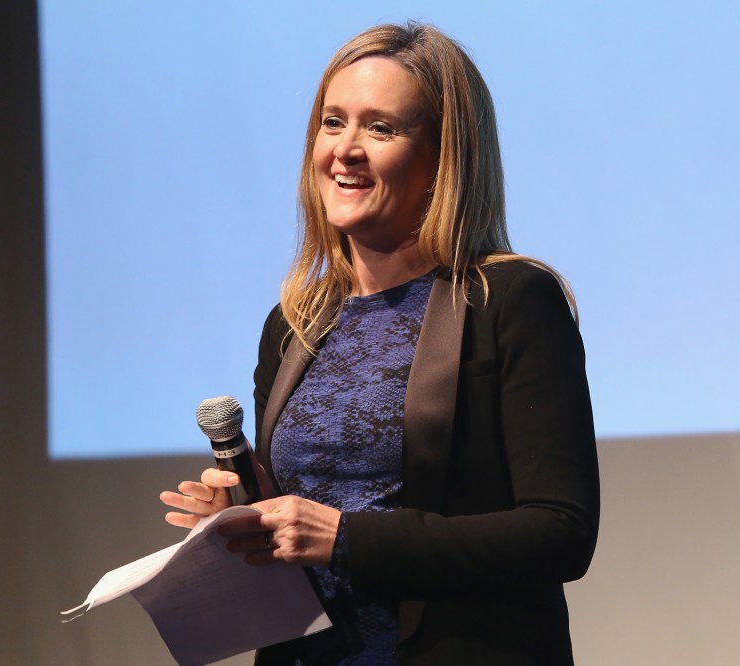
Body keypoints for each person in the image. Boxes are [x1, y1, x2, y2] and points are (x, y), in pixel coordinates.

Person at [160, 21, 599, 665]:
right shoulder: (295, 322)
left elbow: (560, 533)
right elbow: (302, 525)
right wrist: (245, 515)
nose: (345, 149)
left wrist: (346, 538)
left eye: (381, 128)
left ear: (444, 157)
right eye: (332, 122)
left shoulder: (508, 300)